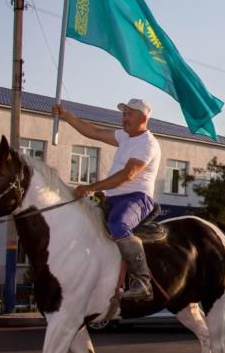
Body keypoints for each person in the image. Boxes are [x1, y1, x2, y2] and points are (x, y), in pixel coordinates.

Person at [52, 98, 162, 301]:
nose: (124, 117)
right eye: (123, 113)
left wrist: (91, 188)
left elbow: (127, 175)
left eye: (129, 114)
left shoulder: (147, 143)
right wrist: (66, 115)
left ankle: (143, 281)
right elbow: (93, 132)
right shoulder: (125, 137)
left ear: (143, 118)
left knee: (118, 224)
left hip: (136, 198)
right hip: (112, 198)